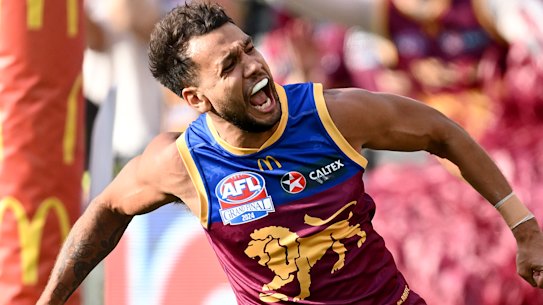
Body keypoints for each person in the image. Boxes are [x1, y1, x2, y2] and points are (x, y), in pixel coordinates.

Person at [37, 3, 543, 305]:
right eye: (230, 65)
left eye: (249, 48)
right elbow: (106, 209)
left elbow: (441, 131)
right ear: (196, 100)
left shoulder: (333, 114)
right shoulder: (181, 164)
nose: (255, 66)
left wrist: (524, 229)